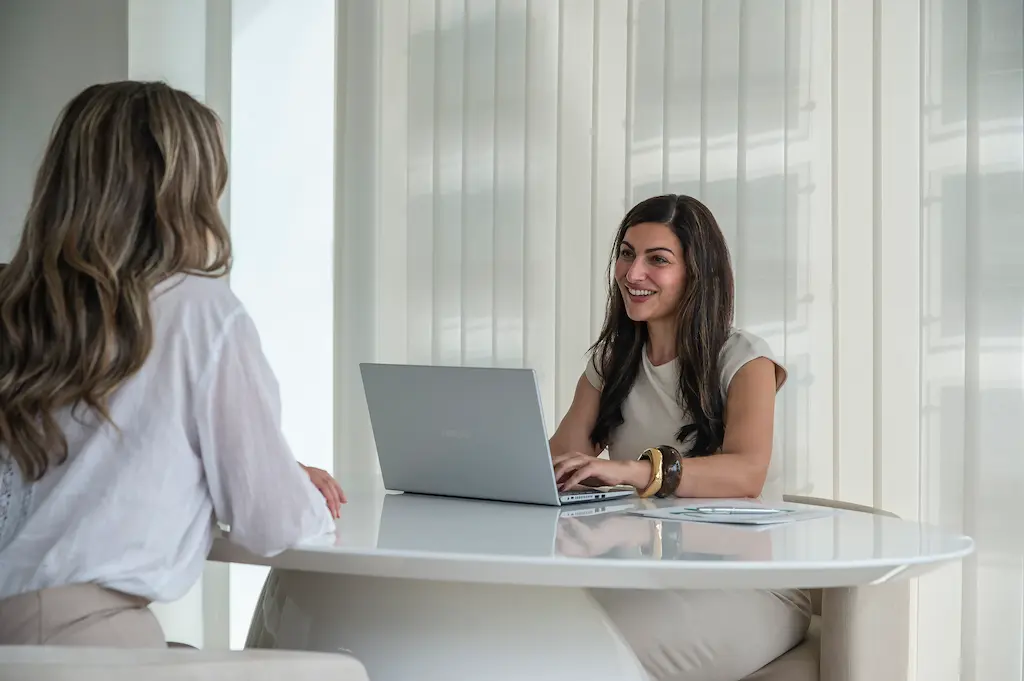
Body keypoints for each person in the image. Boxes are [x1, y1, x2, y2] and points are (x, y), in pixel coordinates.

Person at [0, 81, 345, 647]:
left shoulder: (21, 303)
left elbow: (89, 472)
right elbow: (274, 523)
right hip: (87, 643)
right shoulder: (198, 310)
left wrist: (252, 472)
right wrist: (285, 483)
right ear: (184, 190)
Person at [548, 194, 810, 681]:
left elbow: (746, 472)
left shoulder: (745, 359)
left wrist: (633, 471)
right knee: (523, 630)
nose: (632, 273)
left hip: (744, 582)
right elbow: (562, 459)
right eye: (626, 253)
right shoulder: (612, 361)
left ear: (697, 273)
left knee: (581, 656)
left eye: (658, 260)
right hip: (639, 570)